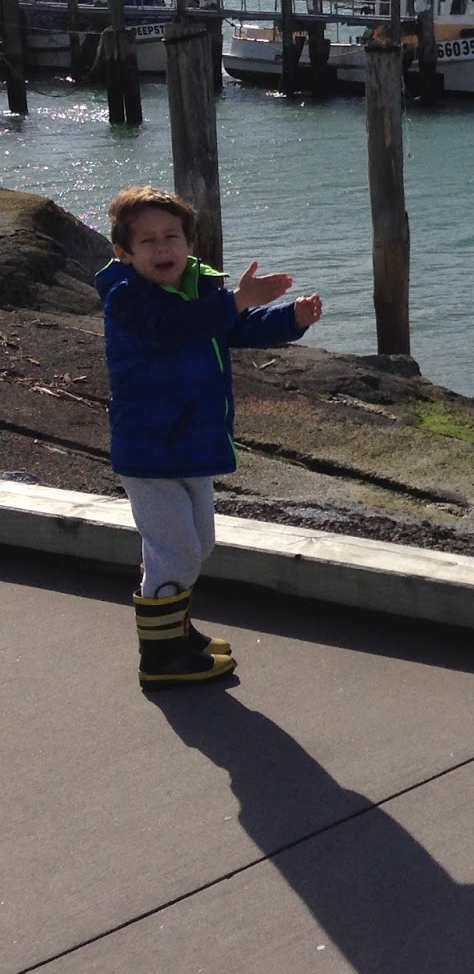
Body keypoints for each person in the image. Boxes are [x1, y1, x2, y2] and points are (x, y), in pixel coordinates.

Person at [97, 186, 323, 689]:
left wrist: (291, 318)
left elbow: (233, 328)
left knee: (195, 545)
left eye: (171, 237)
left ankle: (175, 631)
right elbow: (172, 327)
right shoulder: (126, 298)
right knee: (174, 551)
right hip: (150, 448)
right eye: (148, 241)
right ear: (124, 252)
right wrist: (236, 299)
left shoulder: (201, 290)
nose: (162, 248)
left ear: (189, 243)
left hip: (192, 443)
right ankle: (161, 658)